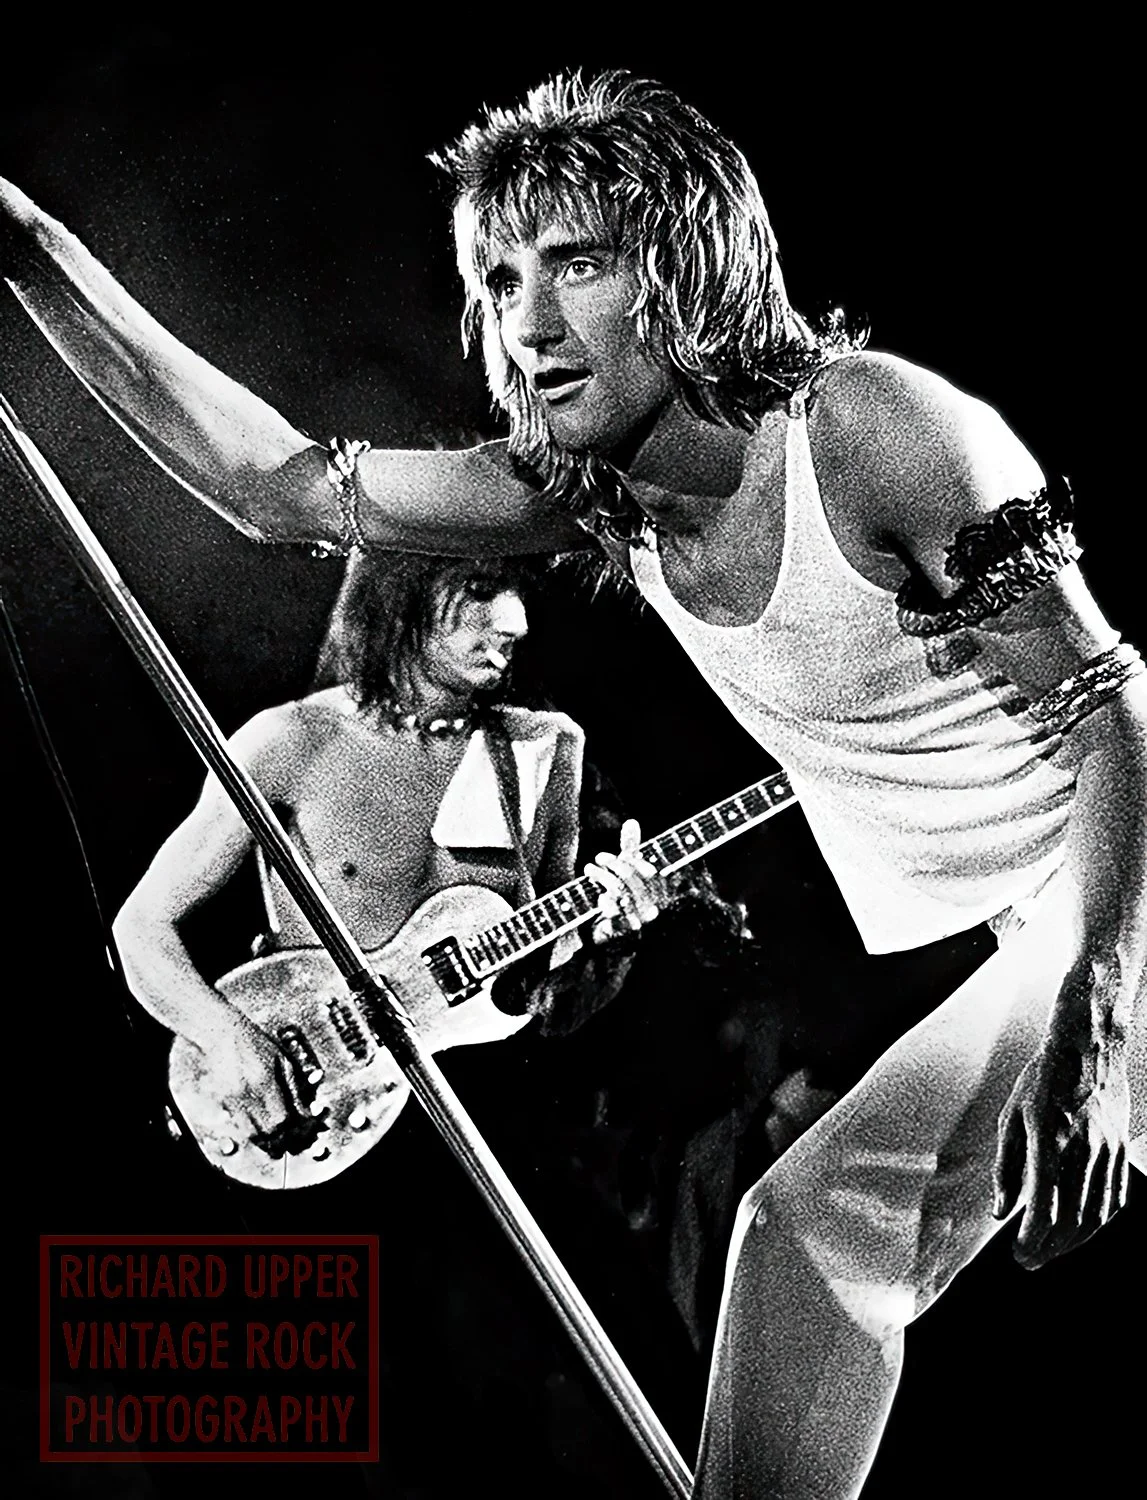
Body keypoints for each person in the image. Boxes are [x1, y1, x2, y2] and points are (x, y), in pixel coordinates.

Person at [4, 69, 1146, 1498]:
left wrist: (1104, 1014)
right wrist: (29, 249)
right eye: (498, 281)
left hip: (1118, 887)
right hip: (1038, 924)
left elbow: (1113, 709)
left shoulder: (870, 431)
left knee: (818, 1234)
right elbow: (276, 490)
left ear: (686, 264)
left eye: (578, 264)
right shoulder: (595, 497)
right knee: (801, 1244)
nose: (527, 325)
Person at [112, 547, 666, 1161]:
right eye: (480, 590)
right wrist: (226, 1038)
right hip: (314, 1106)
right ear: (403, 594)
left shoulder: (544, 747)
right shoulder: (292, 740)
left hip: (467, 1115)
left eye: (518, 597)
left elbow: (542, 979)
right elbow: (140, 928)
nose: (516, 622)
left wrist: (611, 935)